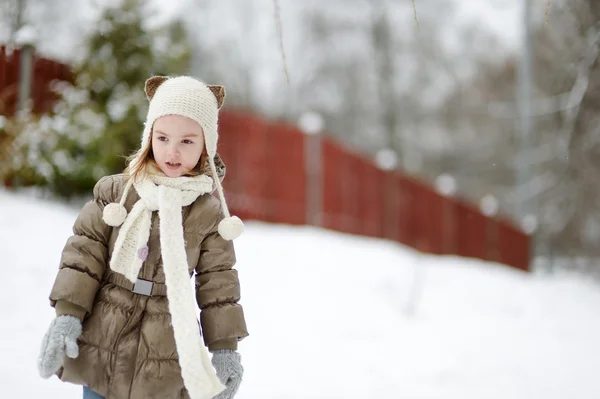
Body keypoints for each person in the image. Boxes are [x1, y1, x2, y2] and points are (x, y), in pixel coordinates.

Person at [36, 75, 249, 399]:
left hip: (165, 341)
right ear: (149, 135)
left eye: (187, 141)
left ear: (207, 145)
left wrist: (225, 351)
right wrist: (68, 314)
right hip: (104, 331)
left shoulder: (208, 214)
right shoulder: (117, 192)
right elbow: (83, 255)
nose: (172, 151)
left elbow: (218, 286)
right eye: (162, 138)